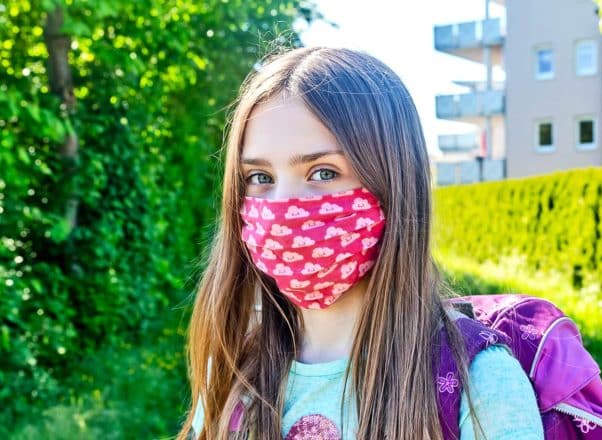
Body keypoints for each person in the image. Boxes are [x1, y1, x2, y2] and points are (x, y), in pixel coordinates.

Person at [177, 46, 543, 440]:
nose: (282, 205)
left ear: (392, 184)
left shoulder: (481, 384)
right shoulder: (232, 372)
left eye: (323, 172)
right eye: (260, 178)